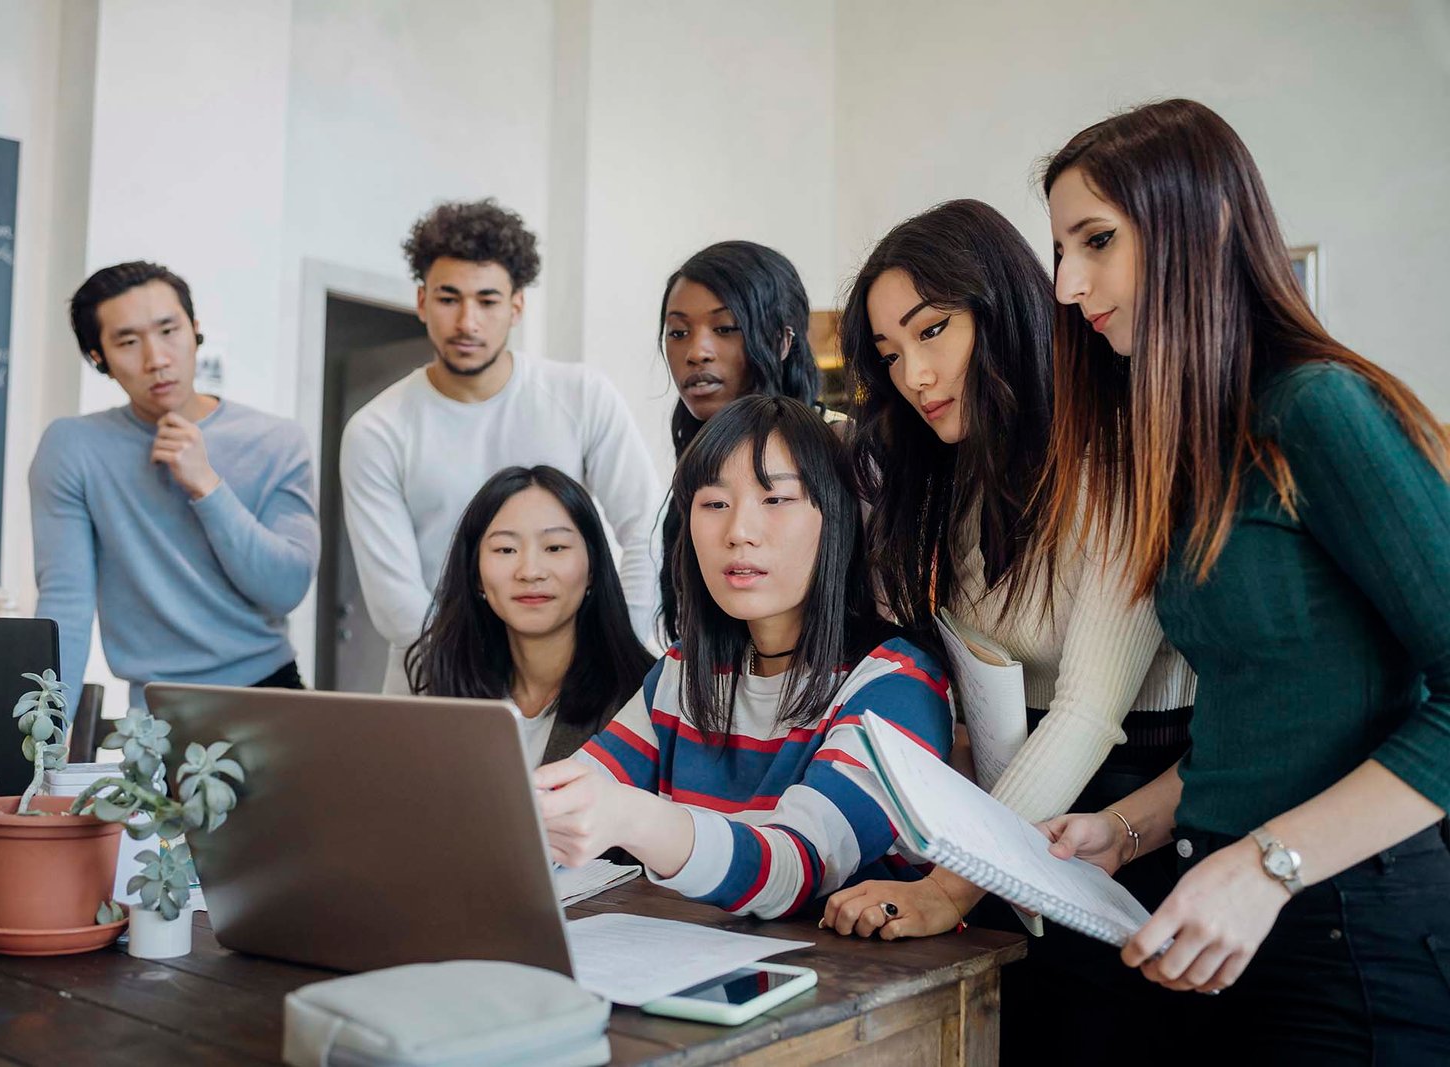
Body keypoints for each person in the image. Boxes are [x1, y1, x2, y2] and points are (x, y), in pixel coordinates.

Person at [1034, 99, 1450, 1062]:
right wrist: (1122, 830)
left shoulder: (1320, 408)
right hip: (1222, 926)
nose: (1067, 285)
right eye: (1061, 251)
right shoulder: (1198, 451)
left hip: (1352, 937)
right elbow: (1263, 721)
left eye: (1096, 241)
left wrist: (1269, 867)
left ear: (1202, 225)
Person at [818, 201, 1198, 1060]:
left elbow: (1090, 712)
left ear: (1007, 307)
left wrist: (952, 887)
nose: (914, 374)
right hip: (1013, 808)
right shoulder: (955, 474)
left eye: (933, 331)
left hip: (1127, 818)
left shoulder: (1115, 457)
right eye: (889, 355)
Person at [535, 395, 952, 918]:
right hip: (687, 973)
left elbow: (794, 867)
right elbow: (579, 790)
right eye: (714, 504)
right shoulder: (684, 672)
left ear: (837, 518)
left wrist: (631, 819)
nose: (738, 532)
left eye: (775, 499)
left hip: (852, 985)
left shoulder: (897, 685)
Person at [342, 199, 661, 693]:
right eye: (449, 299)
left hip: (579, 681)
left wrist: (624, 643)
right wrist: (478, 675)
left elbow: (646, 527)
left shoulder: (581, 396)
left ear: (516, 306)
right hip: (435, 680)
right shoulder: (377, 429)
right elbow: (395, 599)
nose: (468, 322)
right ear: (422, 302)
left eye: (487, 301)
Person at [31, 261, 318, 708]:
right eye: (128, 341)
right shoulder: (73, 448)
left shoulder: (276, 440)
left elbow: (286, 591)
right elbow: (64, 605)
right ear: (97, 358)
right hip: (154, 712)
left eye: (169, 331)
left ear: (195, 331)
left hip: (271, 692)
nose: (157, 359)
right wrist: (39, 753)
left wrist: (207, 485)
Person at [405, 465, 654, 767]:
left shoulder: (643, 698)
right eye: (506, 549)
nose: (530, 572)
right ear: (476, 576)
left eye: (555, 547)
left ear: (592, 569)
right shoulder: (448, 690)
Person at [656, 241, 842, 641]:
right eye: (678, 332)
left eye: (724, 329)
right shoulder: (694, 465)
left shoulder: (846, 454)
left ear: (782, 340)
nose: (697, 352)